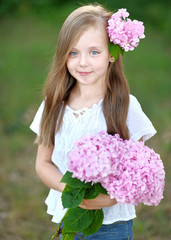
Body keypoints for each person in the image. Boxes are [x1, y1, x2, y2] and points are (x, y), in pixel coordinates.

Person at [30, 3, 157, 240]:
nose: (83, 63)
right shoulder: (54, 103)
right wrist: (74, 193)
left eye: (94, 52)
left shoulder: (125, 106)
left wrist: (110, 198)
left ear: (111, 53)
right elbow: (43, 163)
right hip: (69, 218)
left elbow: (138, 171)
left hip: (112, 225)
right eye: (73, 52)